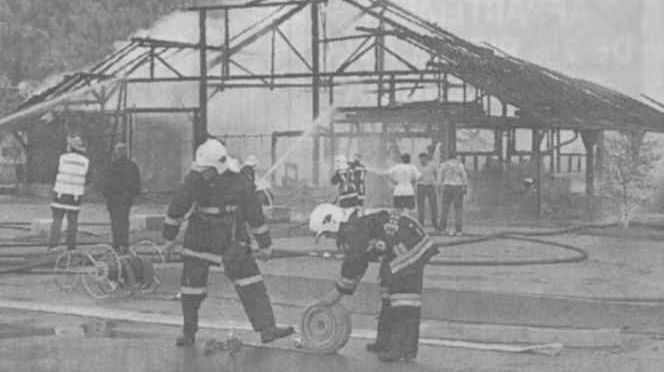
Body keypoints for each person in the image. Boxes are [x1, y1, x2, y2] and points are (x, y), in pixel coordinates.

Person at [162, 139, 293, 347]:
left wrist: (265, 244)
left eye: (207, 170)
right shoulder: (194, 178)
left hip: (230, 238)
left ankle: (267, 329)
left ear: (219, 168)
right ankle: (188, 333)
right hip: (199, 239)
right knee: (191, 288)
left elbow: (254, 213)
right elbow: (177, 208)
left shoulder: (238, 181)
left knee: (251, 281)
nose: (202, 173)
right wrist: (168, 239)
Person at [309, 203, 439, 362]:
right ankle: (385, 342)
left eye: (327, 234)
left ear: (332, 223)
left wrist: (336, 294)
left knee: (403, 299)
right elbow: (361, 261)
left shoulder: (354, 229)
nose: (329, 238)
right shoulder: (354, 224)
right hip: (398, 244)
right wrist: (345, 286)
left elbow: (355, 262)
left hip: (410, 243)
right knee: (387, 291)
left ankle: (402, 349)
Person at [48, 135, 90, 251]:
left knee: (57, 221)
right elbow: (88, 178)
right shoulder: (85, 161)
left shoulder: (63, 158)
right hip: (75, 196)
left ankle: (53, 246)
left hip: (60, 194)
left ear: (70, 147)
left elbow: (54, 173)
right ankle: (71, 247)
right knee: (73, 222)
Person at [103, 142, 141, 252]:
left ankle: (116, 244)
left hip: (113, 198)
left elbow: (107, 182)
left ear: (117, 152)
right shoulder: (132, 165)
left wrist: (106, 194)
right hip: (126, 197)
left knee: (115, 220)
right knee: (124, 220)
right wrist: (132, 194)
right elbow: (137, 183)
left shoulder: (112, 165)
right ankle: (124, 243)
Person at [438, 151, 468, 236]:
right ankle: (459, 231)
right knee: (458, 209)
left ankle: (442, 229)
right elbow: (464, 176)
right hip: (458, 187)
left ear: (448, 156)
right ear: (455, 157)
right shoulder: (459, 165)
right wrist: (465, 186)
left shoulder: (444, 165)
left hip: (447, 186)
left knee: (445, 208)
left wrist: (439, 186)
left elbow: (440, 176)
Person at [416, 152, 438, 230]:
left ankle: (434, 223)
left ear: (426, 159)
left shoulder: (432, 165)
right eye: (421, 159)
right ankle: (421, 223)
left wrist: (436, 183)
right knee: (421, 206)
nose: (422, 160)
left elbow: (436, 174)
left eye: (423, 159)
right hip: (421, 186)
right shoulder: (417, 166)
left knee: (433, 205)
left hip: (430, 186)